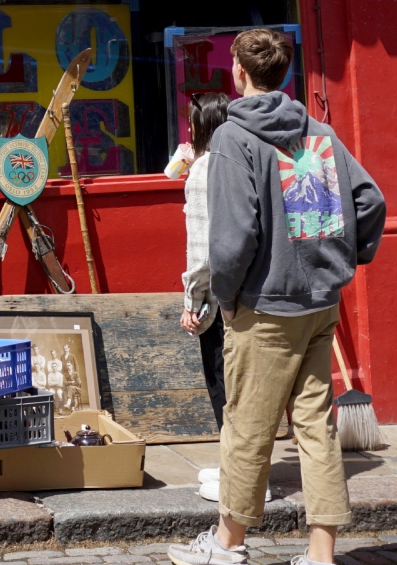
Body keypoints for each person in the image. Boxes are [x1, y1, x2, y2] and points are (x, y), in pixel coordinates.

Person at [169, 29, 386, 565]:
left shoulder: (232, 139)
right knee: (316, 428)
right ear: (284, 74)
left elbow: (232, 239)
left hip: (263, 306)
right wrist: (338, 258)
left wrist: (226, 296)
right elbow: (370, 200)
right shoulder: (317, 132)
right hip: (317, 304)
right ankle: (320, 553)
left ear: (239, 73)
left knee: (246, 427)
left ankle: (227, 545)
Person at [171, 92, 234, 502]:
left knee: (221, 384)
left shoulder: (202, 172)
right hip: (258, 294)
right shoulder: (243, 162)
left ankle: (237, 475)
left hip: (220, 297)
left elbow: (202, 249)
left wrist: (192, 302)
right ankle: (242, 468)